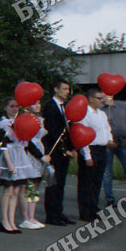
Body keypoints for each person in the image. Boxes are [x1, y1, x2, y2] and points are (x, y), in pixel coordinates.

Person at [0, 97, 31, 234]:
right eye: (11, 106)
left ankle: (11, 219)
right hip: (8, 158)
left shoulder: (20, 122)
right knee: (8, 191)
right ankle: (4, 220)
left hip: (19, 157)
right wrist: (10, 164)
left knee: (16, 191)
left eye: (16, 106)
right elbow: (3, 146)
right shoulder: (3, 125)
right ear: (5, 108)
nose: (14, 109)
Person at [76, 88, 114, 222]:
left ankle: (93, 208)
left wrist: (110, 140)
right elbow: (81, 135)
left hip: (102, 149)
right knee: (87, 182)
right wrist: (87, 156)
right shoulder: (84, 114)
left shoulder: (102, 114)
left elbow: (107, 129)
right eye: (99, 98)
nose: (102, 100)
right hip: (90, 149)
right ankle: (85, 211)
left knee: (97, 181)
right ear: (91, 99)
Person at [43, 78, 76, 226]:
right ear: (56, 90)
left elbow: (69, 130)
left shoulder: (67, 107)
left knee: (61, 183)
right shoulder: (50, 107)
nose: (67, 92)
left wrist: (72, 148)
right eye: (64, 89)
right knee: (53, 184)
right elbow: (53, 132)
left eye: (68, 89)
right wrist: (63, 149)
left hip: (65, 150)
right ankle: (51, 215)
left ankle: (59, 211)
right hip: (54, 150)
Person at [101, 93, 126, 206]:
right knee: (107, 173)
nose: (105, 98)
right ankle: (110, 199)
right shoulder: (101, 110)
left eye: (107, 95)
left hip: (123, 143)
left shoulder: (123, 107)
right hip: (108, 144)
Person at [18, 100, 48, 229]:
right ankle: (25, 217)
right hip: (30, 154)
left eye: (39, 103)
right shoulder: (25, 119)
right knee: (28, 186)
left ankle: (32, 215)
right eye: (35, 103)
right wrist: (40, 156)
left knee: (35, 186)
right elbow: (28, 141)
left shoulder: (40, 120)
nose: (38, 105)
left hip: (41, 152)